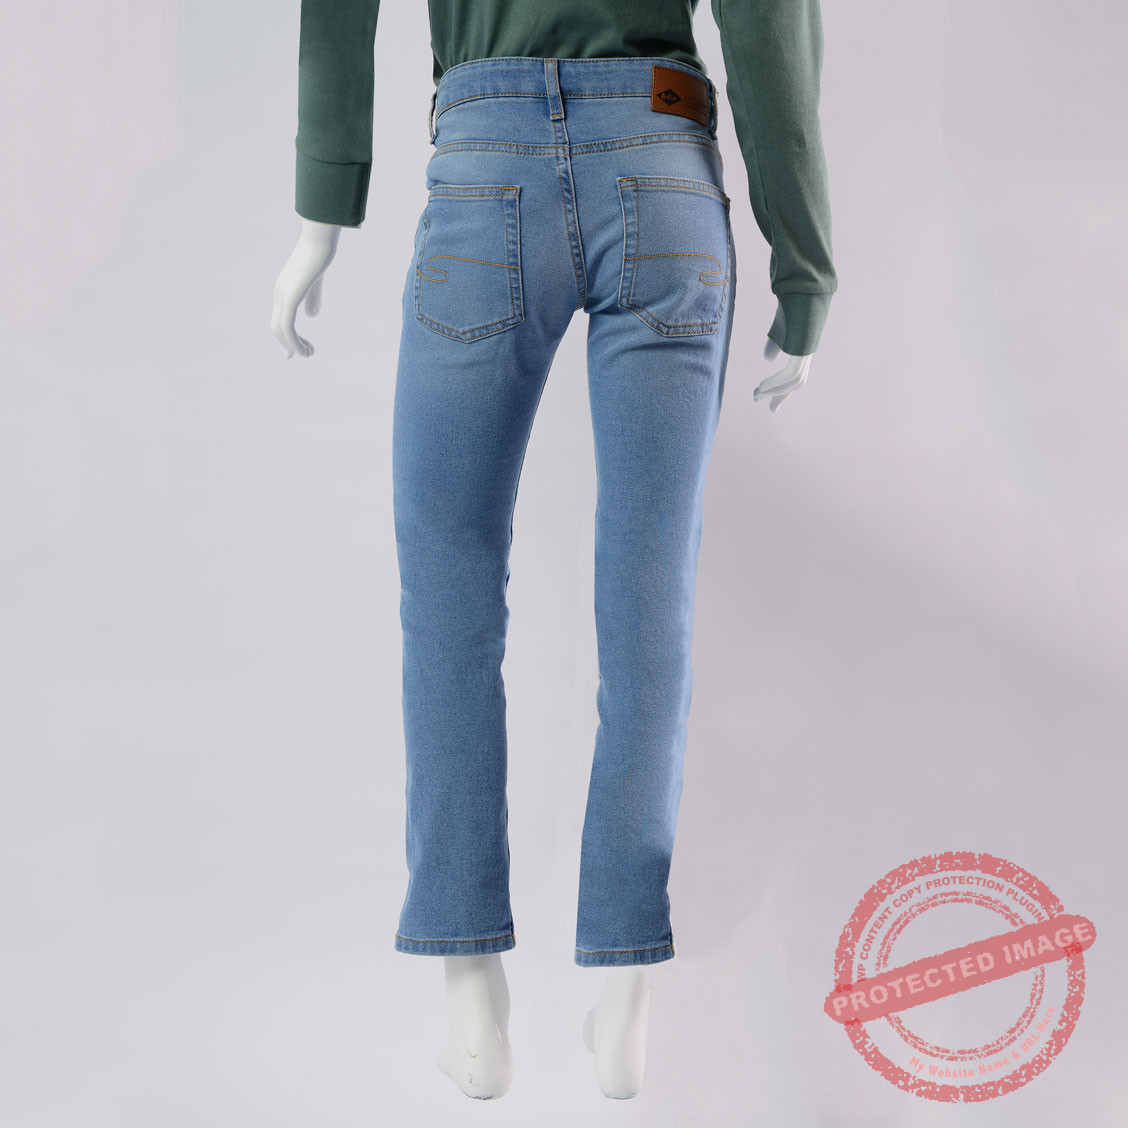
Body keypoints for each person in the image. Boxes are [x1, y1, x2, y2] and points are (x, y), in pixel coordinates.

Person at [270, 1, 837, 1102]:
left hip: (484, 168)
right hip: (662, 162)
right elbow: (766, 18)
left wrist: (320, 211)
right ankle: (625, 999)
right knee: (649, 602)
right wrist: (803, 265)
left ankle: (469, 998)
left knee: (447, 591)